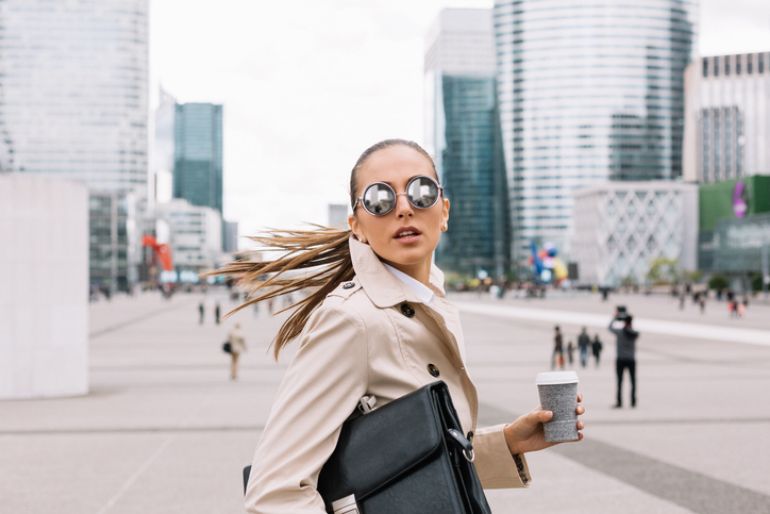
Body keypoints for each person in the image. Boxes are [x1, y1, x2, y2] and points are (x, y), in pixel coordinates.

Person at [211, 139, 585, 511]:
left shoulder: (429, 302)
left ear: (444, 211)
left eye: (421, 192)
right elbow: (274, 492)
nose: (404, 207)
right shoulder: (352, 318)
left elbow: (406, 466)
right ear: (356, 225)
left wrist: (509, 442)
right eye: (380, 199)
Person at [608, 312, 639, 408]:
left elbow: (609, 328)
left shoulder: (620, 332)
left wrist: (615, 317)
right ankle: (633, 401)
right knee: (633, 381)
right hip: (631, 360)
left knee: (619, 381)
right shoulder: (634, 333)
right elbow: (632, 331)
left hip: (620, 359)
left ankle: (619, 402)